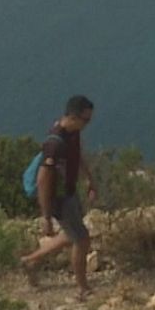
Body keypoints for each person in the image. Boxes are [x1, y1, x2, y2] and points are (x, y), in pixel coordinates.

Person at [20, 95, 98, 299]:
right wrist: (46, 217)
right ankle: (82, 288)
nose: (87, 125)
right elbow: (43, 181)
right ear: (73, 117)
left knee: (70, 234)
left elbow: (77, 155)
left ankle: (30, 261)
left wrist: (89, 179)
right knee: (81, 240)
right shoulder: (54, 143)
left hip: (69, 193)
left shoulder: (73, 134)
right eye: (85, 120)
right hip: (59, 200)